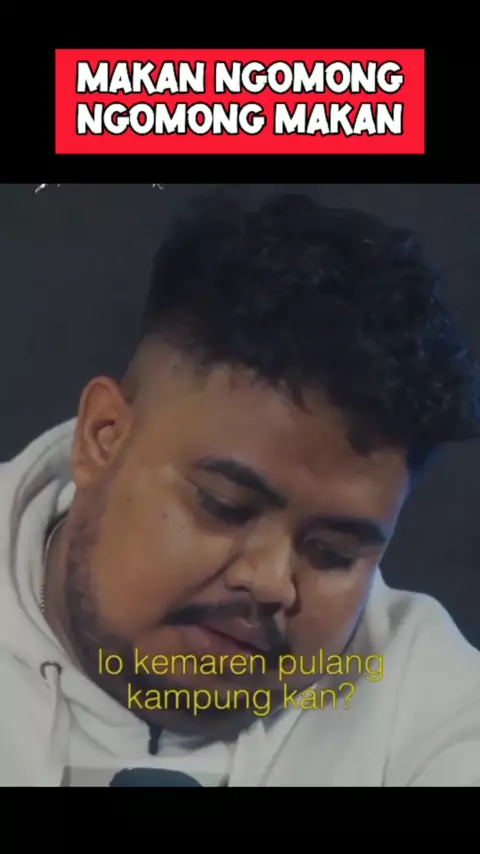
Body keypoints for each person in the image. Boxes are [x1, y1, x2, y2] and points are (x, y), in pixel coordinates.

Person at [1, 190, 480, 788]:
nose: (272, 581)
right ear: (103, 437)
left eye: (332, 553)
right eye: (225, 506)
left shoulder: (430, 702)